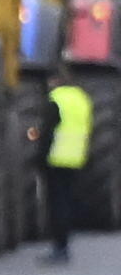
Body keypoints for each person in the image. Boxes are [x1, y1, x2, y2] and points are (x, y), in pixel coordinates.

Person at [34, 68, 90, 263]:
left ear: (55, 80)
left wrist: (39, 159)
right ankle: (64, 246)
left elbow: (47, 132)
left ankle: (59, 248)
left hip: (56, 158)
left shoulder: (56, 99)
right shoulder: (81, 99)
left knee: (57, 205)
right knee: (66, 202)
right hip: (75, 157)